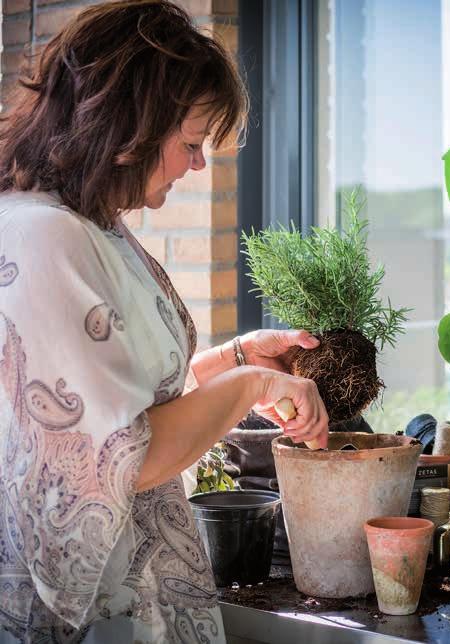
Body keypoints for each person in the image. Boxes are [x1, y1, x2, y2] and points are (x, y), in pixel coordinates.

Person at [0, 1, 329, 642]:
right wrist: (254, 389)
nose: (198, 166)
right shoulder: (44, 238)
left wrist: (234, 360)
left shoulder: (89, 226)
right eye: (189, 142)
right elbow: (124, 454)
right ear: (128, 127)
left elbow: (117, 404)